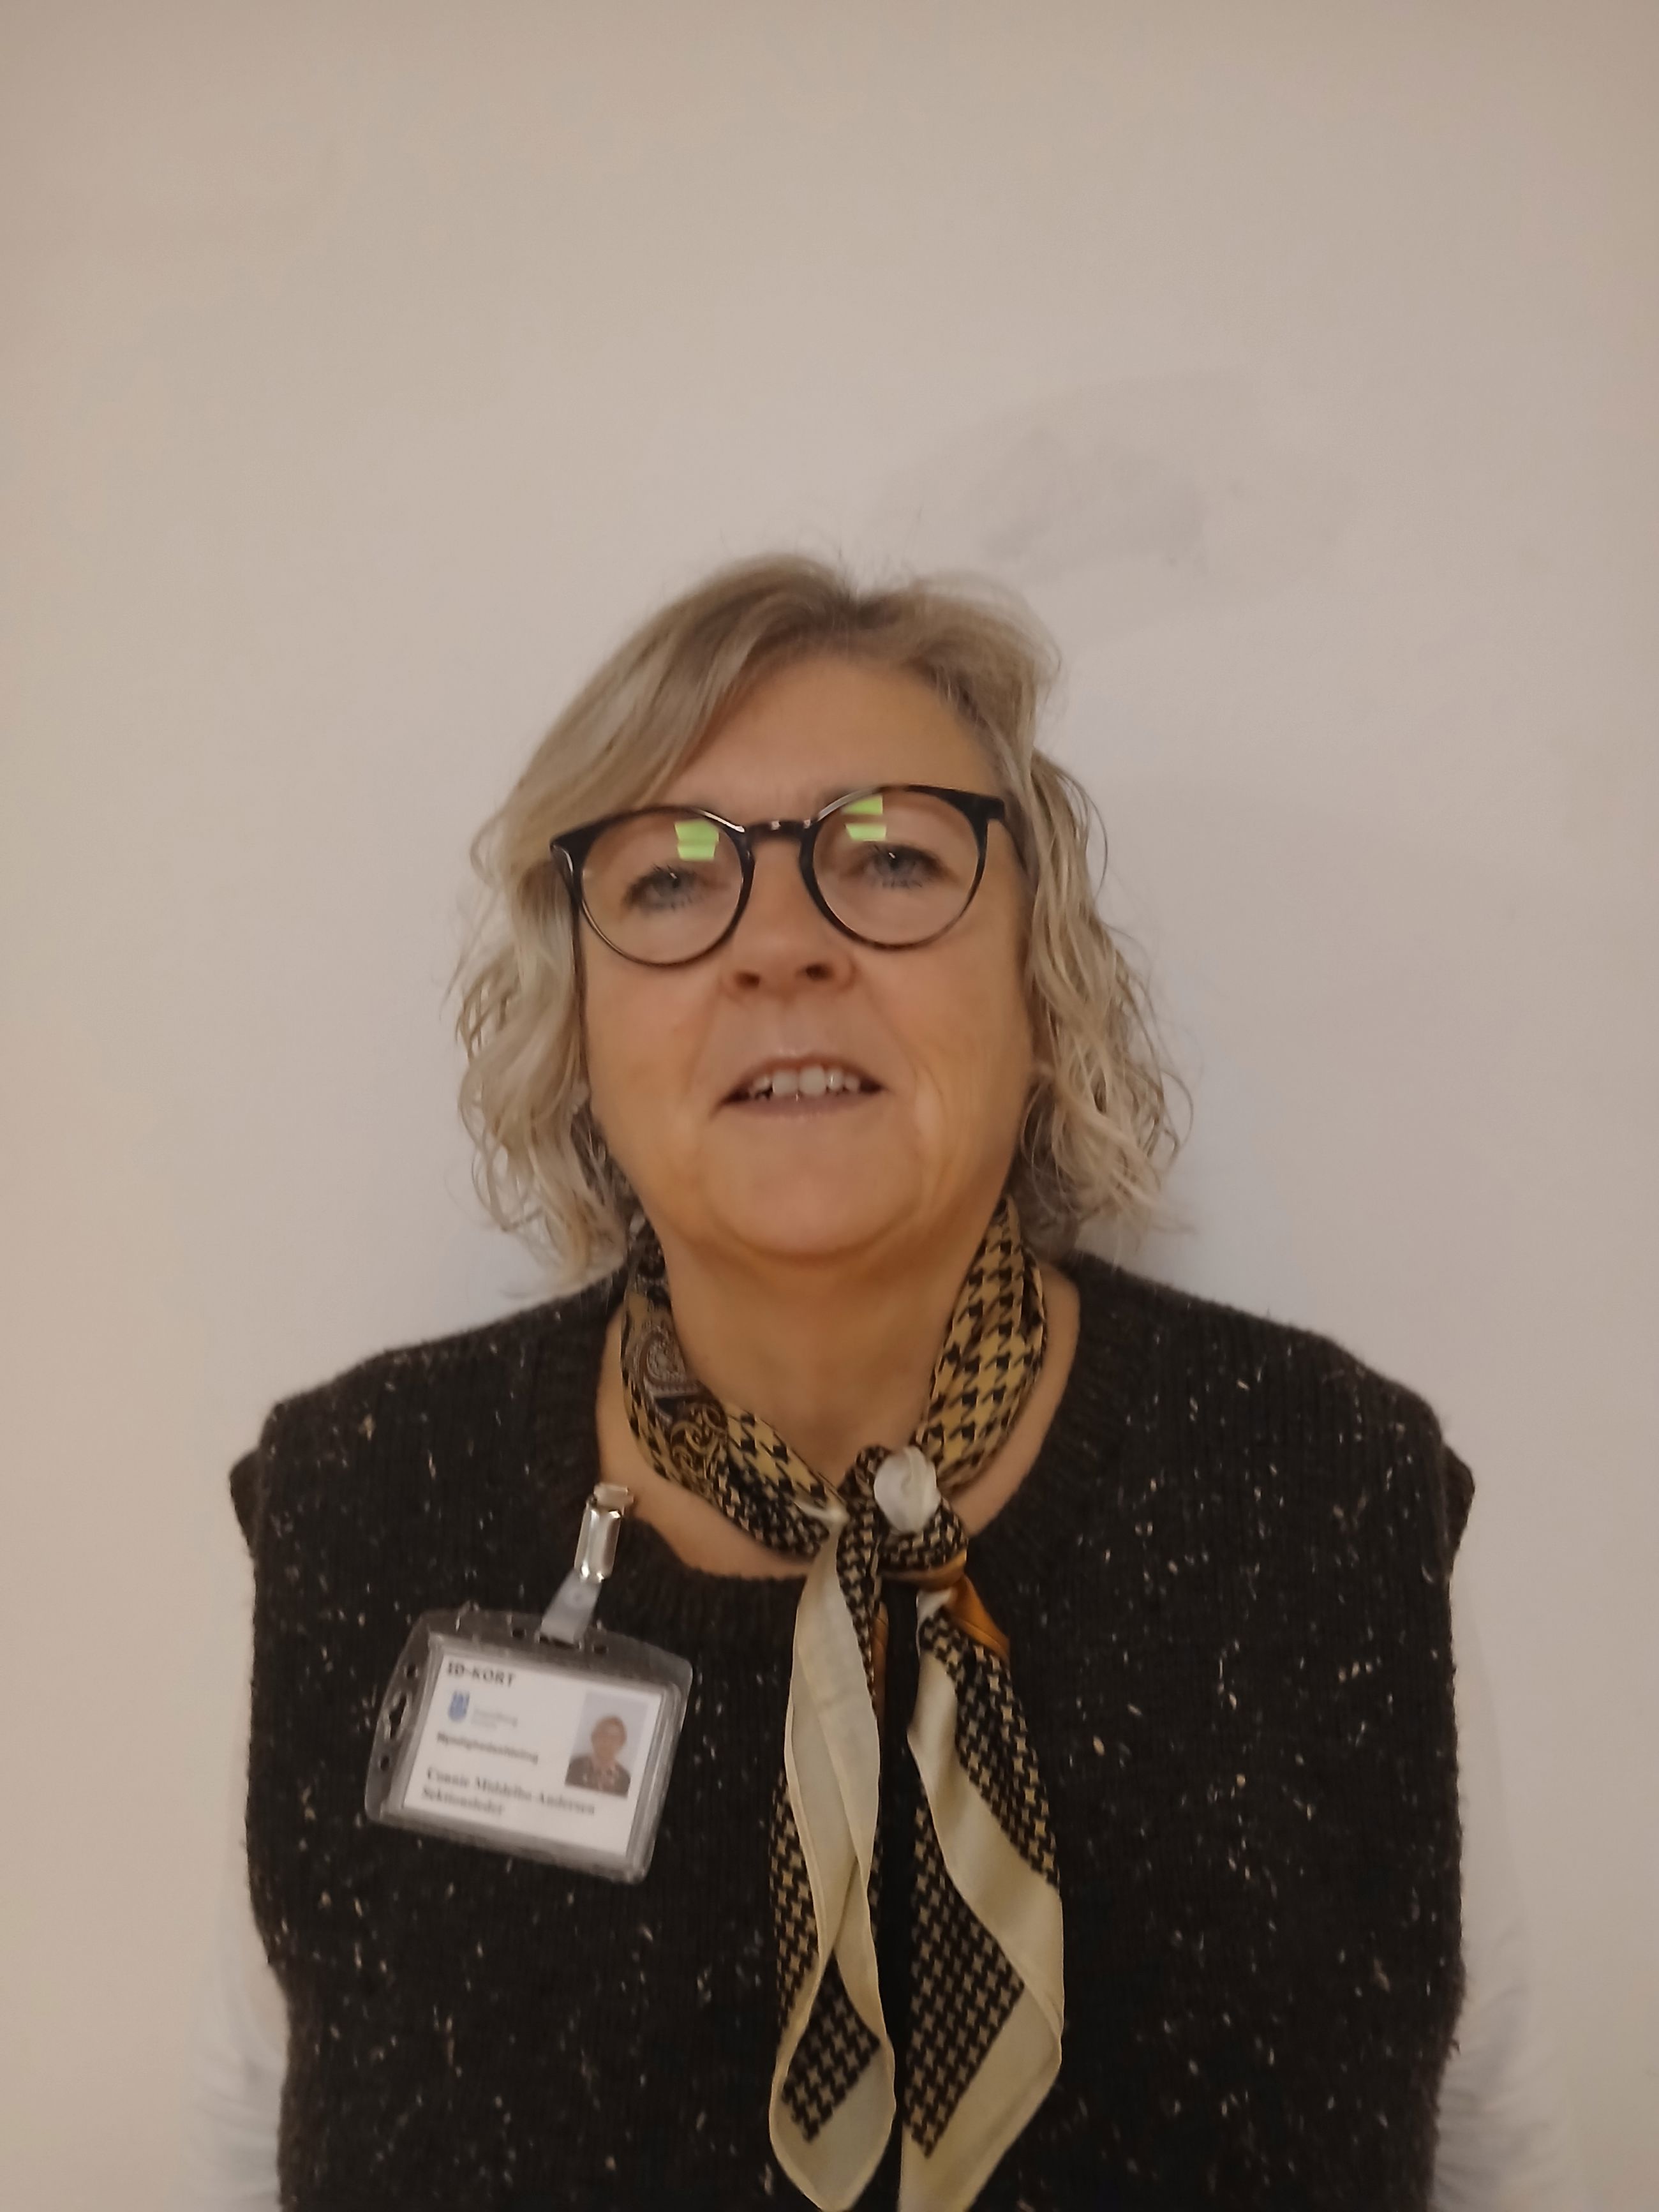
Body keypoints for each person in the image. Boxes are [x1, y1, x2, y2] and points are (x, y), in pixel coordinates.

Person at [181, 557, 1582, 2211]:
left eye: (893, 857)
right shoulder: (357, 1501)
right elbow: (246, 2143)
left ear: (1040, 979)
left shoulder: (1329, 1495)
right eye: (672, 878)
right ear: (578, 1016)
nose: (781, 945)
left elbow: (1498, 2152)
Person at [565, 1714, 632, 1797]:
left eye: (613, 1738)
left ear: (621, 1744)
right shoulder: (575, 1767)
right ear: (593, 1739)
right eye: (603, 1736)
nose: (607, 1742)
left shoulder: (625, 1779)